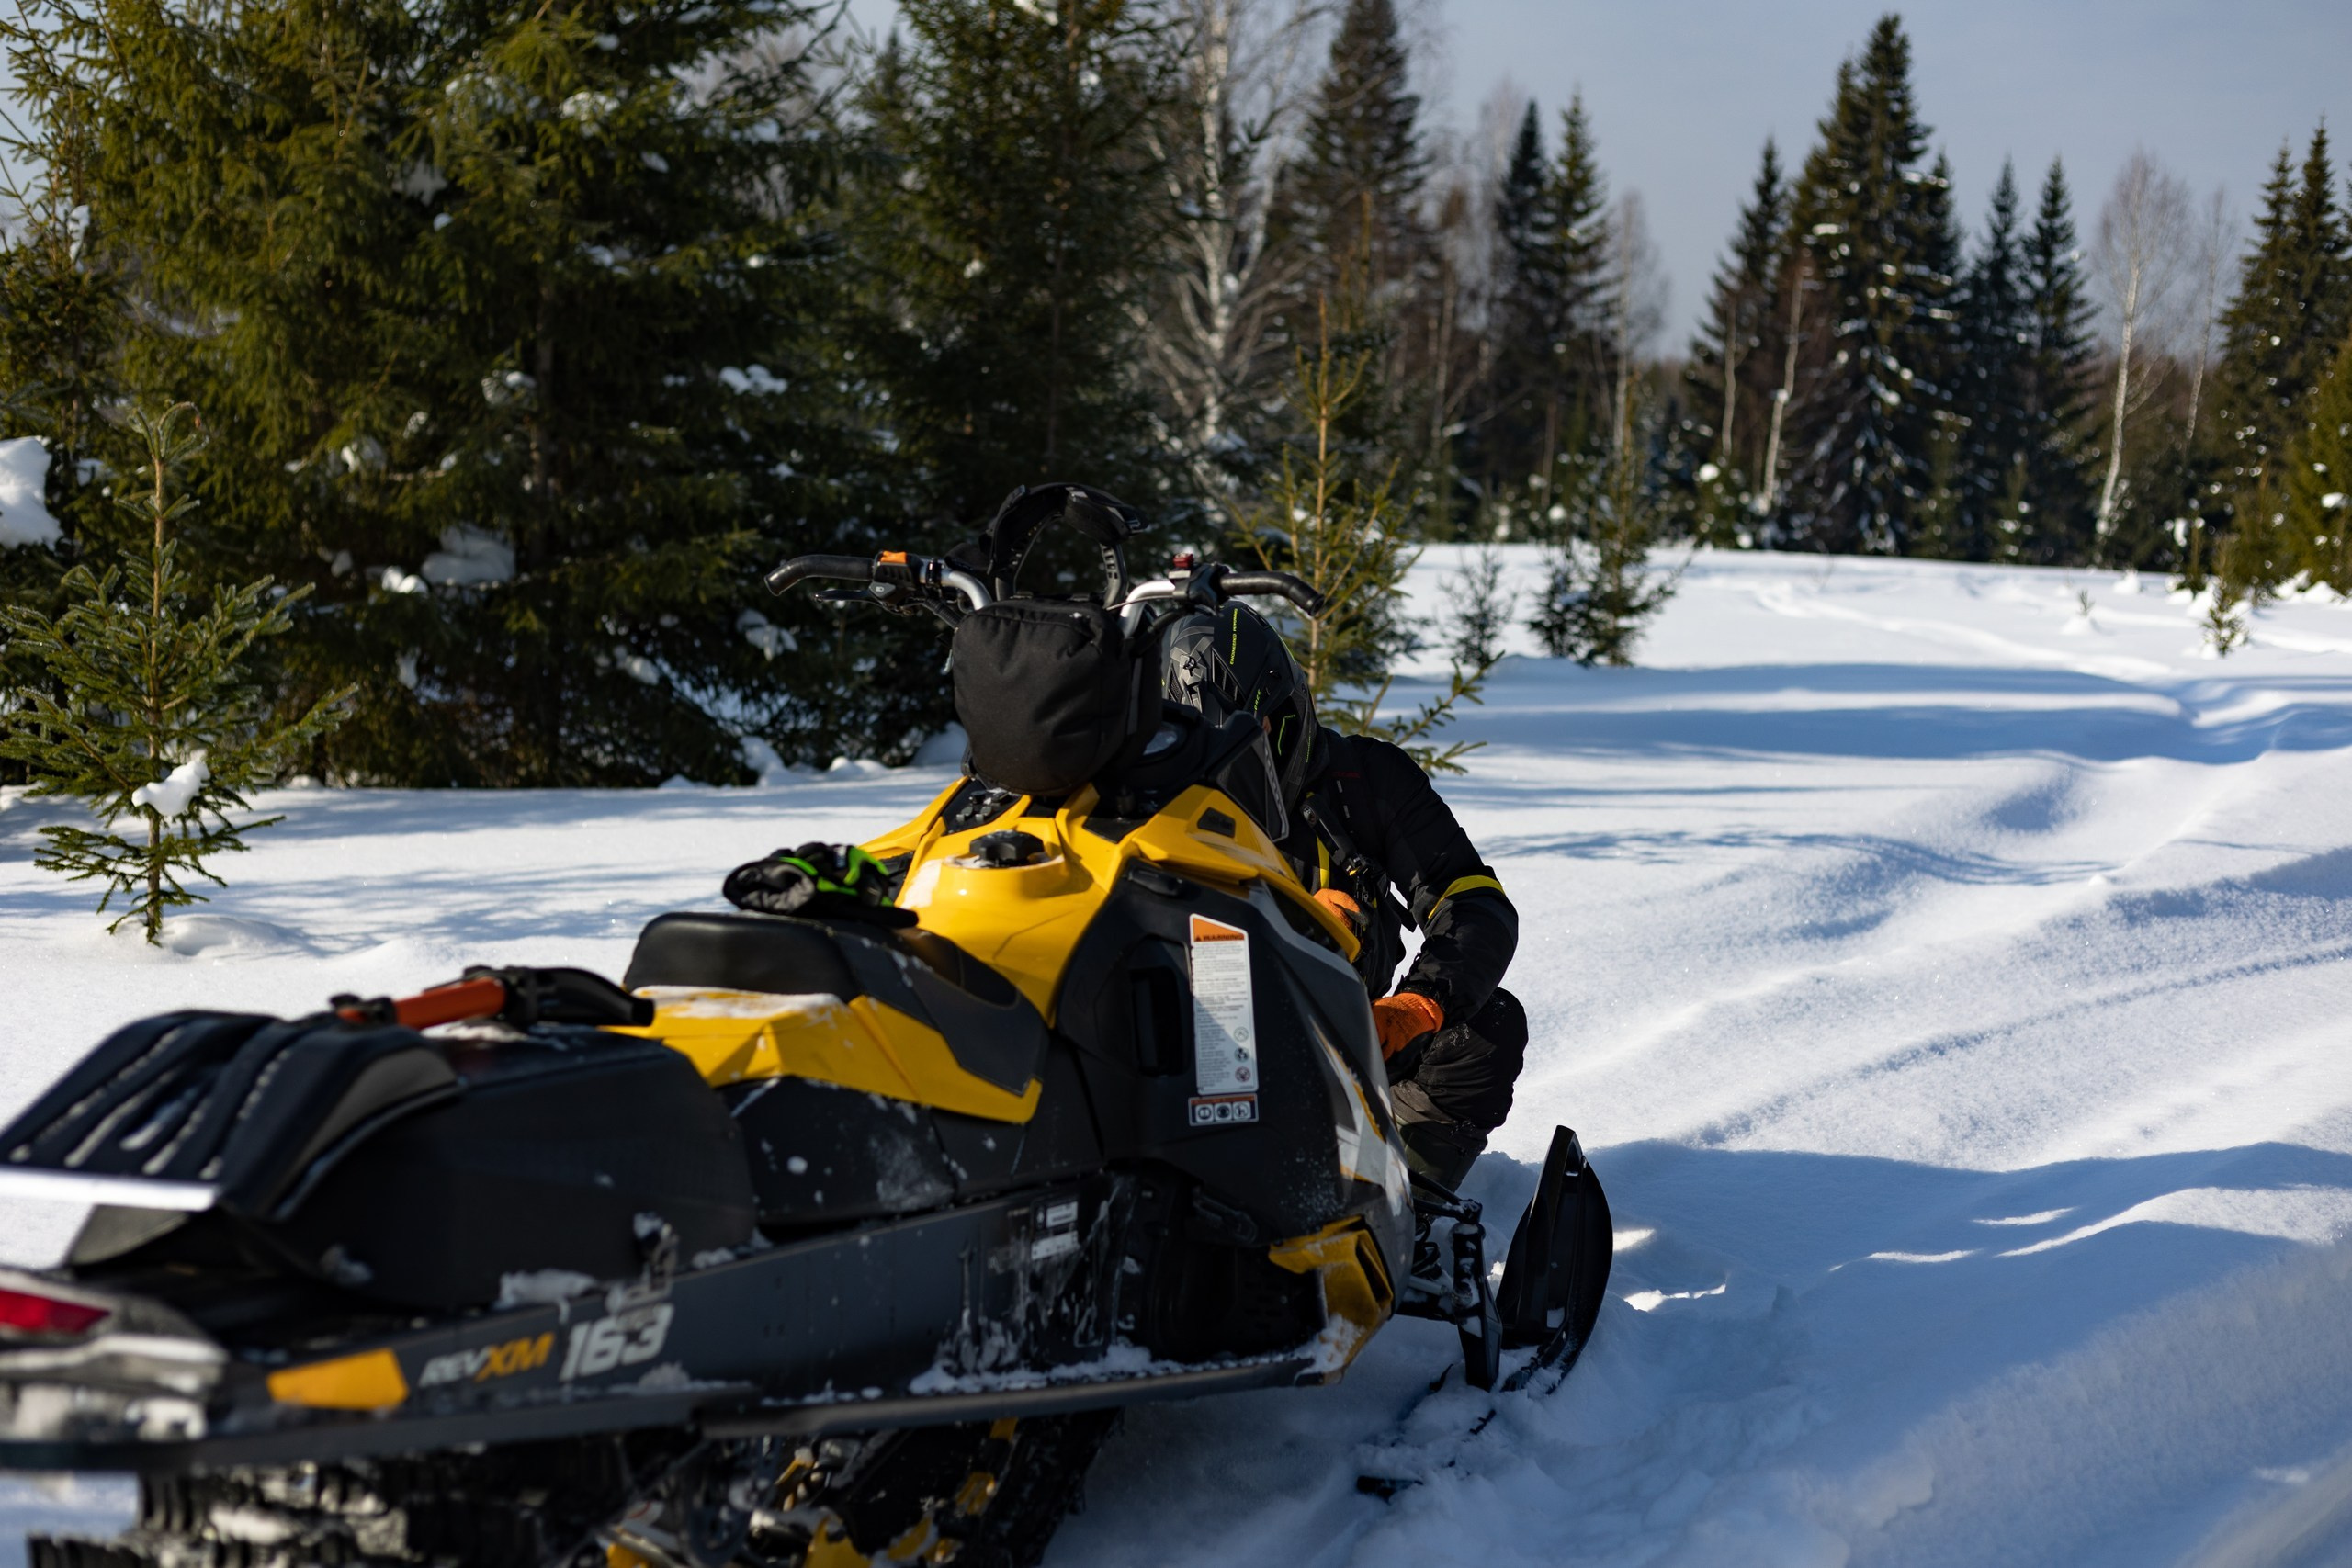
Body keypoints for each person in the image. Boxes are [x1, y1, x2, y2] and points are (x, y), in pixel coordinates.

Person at [1162, 604, 1523, 1197]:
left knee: (1485, 1029)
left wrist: (1419, 1003)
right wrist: (1283, 931)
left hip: (1353, 1039)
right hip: (1209, 1049)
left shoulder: (1370, 779)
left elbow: (1473, 898)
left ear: (1286, 712)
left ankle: (1412, 1206)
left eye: (1248, 745)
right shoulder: (1154, 799)